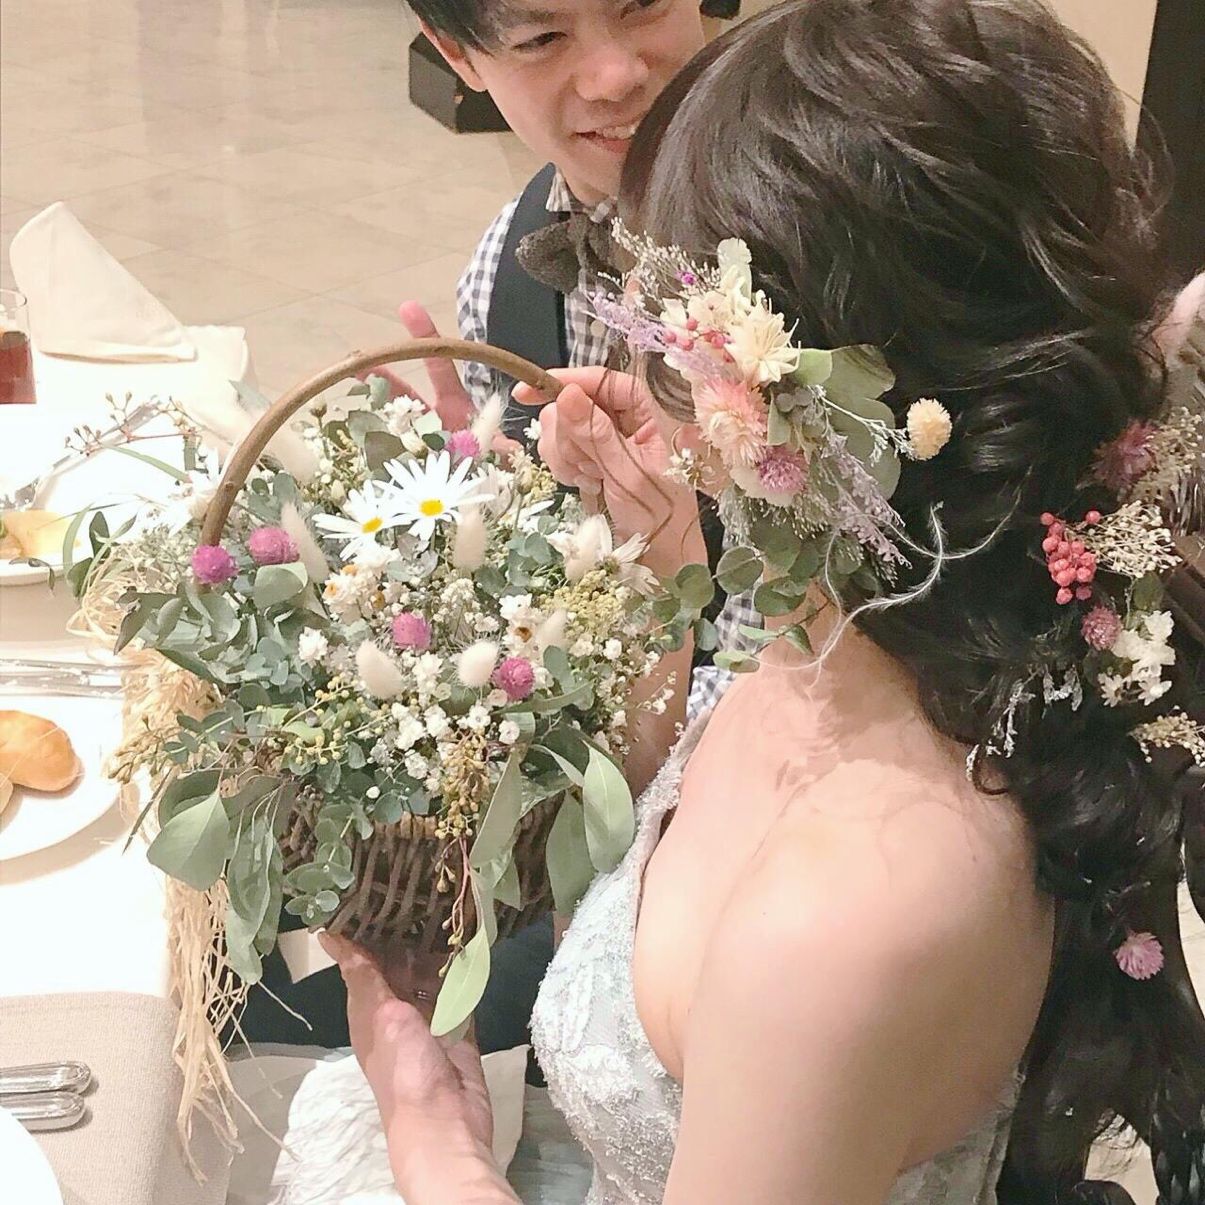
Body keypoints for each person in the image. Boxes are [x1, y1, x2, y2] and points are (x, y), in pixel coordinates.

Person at [321, 1, 1205, 1202]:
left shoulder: (837, 921)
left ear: (766, 397)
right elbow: (675, 822)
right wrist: (667, 573)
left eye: (658, 319)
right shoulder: (861, 625)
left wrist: (430, 1129)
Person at [238, 0, 752, 1062]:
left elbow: (827, 682)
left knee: (315, 1021)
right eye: (540, 39)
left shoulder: (827, 252)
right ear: (457, 57)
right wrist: (476, 520)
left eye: (641, 4)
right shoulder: (514, 264)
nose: (613, 74)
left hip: (742, 881)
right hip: (582, 807)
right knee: (250, 938)